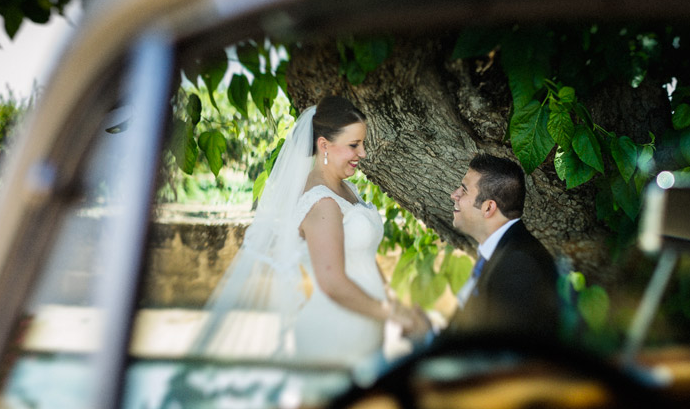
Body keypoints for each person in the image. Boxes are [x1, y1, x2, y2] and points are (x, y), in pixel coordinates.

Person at [191, 95, 420, 363]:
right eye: (354, 145)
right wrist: (394, 314)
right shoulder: (322, 202)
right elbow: (332, 282)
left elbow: (363, 256)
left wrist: (394, 303)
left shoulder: (347, 189)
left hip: (365, 323)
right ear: (324, 145)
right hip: (336, 330)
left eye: (362, 144)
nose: (363, 153)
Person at [444, 153, 561, 339]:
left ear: (488, 208)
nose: (454, 195)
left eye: (464, 190)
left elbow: (500, 348)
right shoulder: (498, 254)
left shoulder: (519, 265)